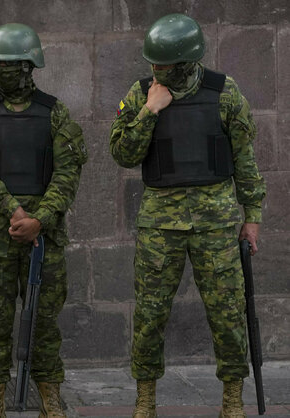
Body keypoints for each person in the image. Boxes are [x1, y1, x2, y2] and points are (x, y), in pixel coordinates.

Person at [109, 13, 266, 418]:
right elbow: (122, 154)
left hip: (216, 223)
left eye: (163, 64)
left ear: (186, 61)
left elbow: (245, 159)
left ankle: (232, 397)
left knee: (229, 311)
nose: (155, 70)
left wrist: (252, 217)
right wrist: (149, 111)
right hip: (160, 226)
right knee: (149, 313)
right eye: (153, 63)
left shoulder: (224, 92)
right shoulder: (142, 92)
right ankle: (145, 397)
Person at [0, 23, 87, 418]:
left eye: (14, 65)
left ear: (31, 66)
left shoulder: (54, 112)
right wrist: (12, 208)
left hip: (44, 239)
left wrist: (40, 219)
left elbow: (68, 172)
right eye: (0, 66)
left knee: (44, 324)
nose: (7, 72)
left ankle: (50, 398)